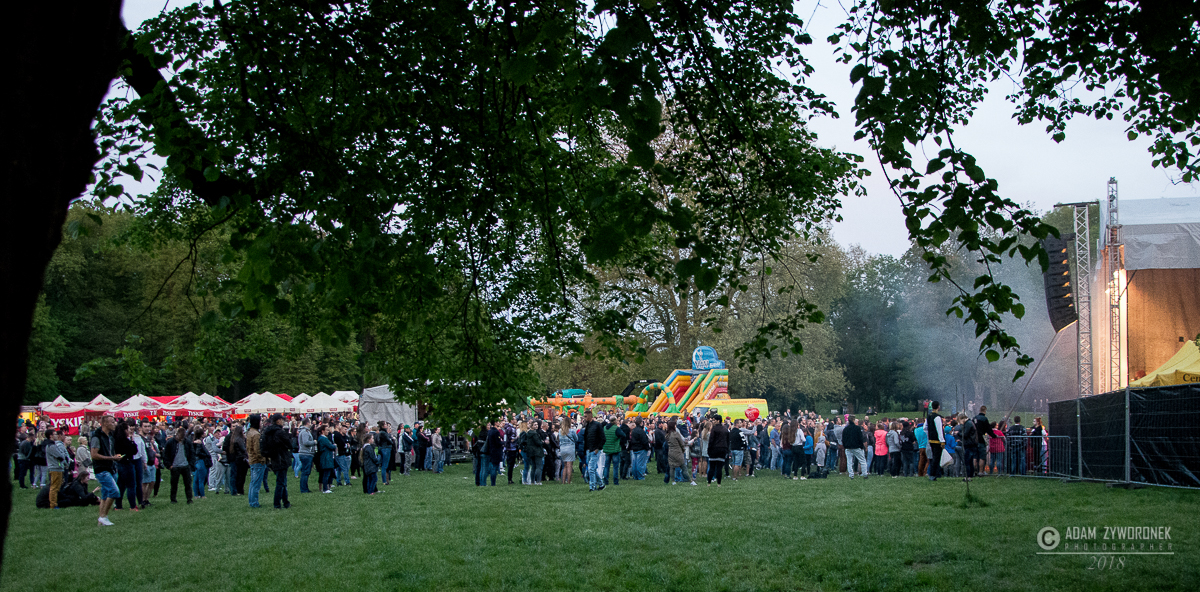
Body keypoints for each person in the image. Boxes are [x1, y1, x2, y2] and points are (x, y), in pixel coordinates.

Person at [262, 413, 292, 509]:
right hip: (281, 458)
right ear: (278, 421)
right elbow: (289, 443)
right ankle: (277, 503)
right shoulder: (279, 432)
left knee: (281, 481)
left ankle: (285, 502)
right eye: (282, 419)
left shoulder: (268, 432)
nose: (283, 421)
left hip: (274, 458)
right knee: (281, 482)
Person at [113, 422, 140, 511]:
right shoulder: (126, 441)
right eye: (128, 429)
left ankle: (118, 505)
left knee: (121, 485)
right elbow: (134, 451)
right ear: (125, 430)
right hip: (127, 463)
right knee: (131, 485)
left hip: (119, 463)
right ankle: (132, 506)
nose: (130, 431)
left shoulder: (116, 440)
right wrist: (132, 441)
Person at [164, 427, 195, 505]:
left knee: (188, 484)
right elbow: (166, 454)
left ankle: (189, 499)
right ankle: (173, 499)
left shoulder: (187, 442)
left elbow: (192, 453)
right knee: (174, 484)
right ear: (176, 434)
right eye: (180, 437)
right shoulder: (170, 442)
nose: (181, 439)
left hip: (185, 465)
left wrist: (190, 464)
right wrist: (169, 465)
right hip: (175, 466)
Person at [44, 429, 70, 509]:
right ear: (50, 436)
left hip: (57, 468)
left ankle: (55, 502)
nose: (56, 436)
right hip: (55, 468)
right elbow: (60, 456)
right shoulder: (51, 446)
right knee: (54, 487)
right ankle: (53, 504)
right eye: (55, 434)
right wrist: (63, 457)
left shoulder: (53, 444)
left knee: (57, 486)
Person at [246, 415, 267, 507]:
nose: (261, 423)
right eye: (260, 421)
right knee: (256, 483)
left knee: (253, 483)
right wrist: (263, 459)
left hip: (251, 459)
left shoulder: (249, 432)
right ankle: (254, 502)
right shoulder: (256, 435)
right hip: (257, 461)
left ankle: (252, 501)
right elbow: (257, 450)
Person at [664, 419, 693, 485]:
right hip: (678, 452)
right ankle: (690, 480)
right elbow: (681, 443)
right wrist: (683, 450)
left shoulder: (667, 435)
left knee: (672, 467)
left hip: (671, 452)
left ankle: (673, 481)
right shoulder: (676, 434)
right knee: (683, 467)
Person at [583, 411, 605, 491]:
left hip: (595, 450)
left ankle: (592, 486)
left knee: (591, 468)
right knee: (592, 469)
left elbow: (603, 438)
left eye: (585, 416)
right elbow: (586, 438)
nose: (584, 418)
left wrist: (598, 448)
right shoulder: (588, 426)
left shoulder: (597, 425)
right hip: (589, 450)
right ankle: (601, 484)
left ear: (590, 416)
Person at [926, 401, 946, 481]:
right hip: (937, 441)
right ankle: (933, 474)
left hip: (931, 440)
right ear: (938, 407)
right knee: (936, 458)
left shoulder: (929, 416)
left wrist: (930, 434)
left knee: (934, 457)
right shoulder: (937, 417)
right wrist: (942, 441)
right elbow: (939, 430)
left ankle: (934, 474)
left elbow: (925, 427)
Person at [706, 416, 729, 486]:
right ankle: (719, 483)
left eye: (714, 420)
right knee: (719, 467)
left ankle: (709, 482)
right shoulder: (725, 429)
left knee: (712, 467)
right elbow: (728, 440)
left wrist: (709, 449)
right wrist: (727, 449)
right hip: (723, 449)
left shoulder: (714, 429)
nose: (713, 421)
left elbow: (711, 440)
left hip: (714, 449)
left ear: (718, 421)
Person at [317, 424, 338, 493]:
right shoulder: (323, 439)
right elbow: (331, 446)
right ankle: (325, 489)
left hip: (326, 457)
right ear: (322, 431)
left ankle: (326, 487)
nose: (328, 432)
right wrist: (334, 446)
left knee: (327, 474)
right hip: (326, 458)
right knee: (326, 474)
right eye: (327, 430)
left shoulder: (322, 438)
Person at [602, 415, 622, 486]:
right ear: (615, 421)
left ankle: (605, 480)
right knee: (615, 466)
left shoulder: (604, 428)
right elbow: (623, 435)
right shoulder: (616, 428)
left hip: (607, 448)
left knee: (606, 465)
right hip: (615, 449)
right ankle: (615, 481)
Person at [557, 417, 576, 484]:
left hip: (562, 448)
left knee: (565, 466)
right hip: (570, 448)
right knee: (569, 465)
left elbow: (559, 439)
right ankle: (569, 481)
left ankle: (563, 481)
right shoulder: (572, 431)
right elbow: (576, 438)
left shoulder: (560, 431)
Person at [485, 421, 504, 486]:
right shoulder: (496, 432)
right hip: (496, 451)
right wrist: (503, 442)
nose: (499, 423)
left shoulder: (490, 431)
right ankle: (493, 483)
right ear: (495, 423)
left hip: (491, 450)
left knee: (492, 466)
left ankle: (491, 481)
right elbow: (498, 442)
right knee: (494, 467)